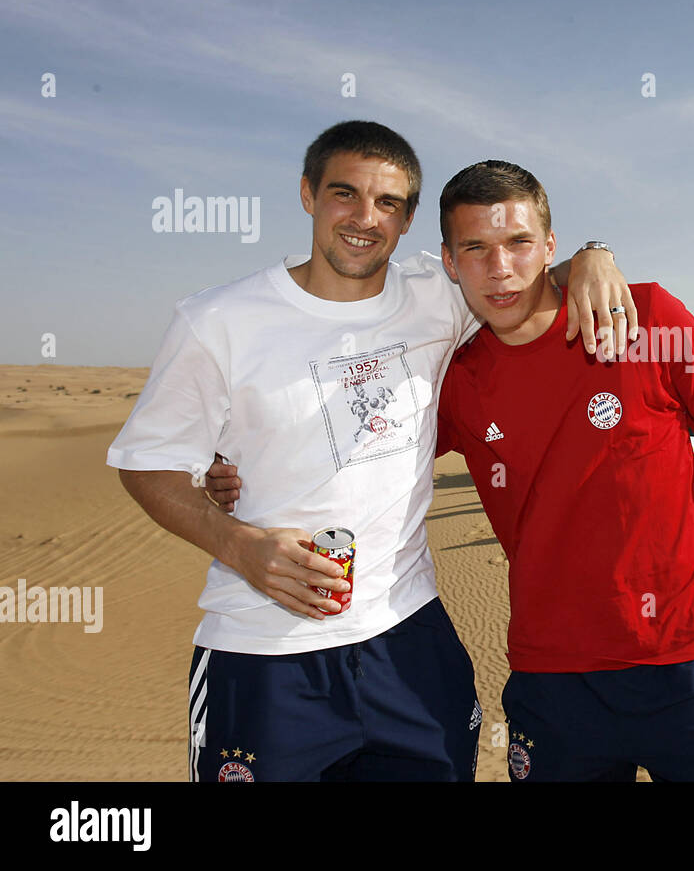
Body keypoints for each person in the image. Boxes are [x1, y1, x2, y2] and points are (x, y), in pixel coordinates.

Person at [110, 121, 633, 782]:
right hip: (263, 653)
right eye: (344, 194)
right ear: (307, 194)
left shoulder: (436, 294)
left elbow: (512, 274)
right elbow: (145, 462)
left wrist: (592, 254)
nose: (364, 219)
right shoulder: (218, 321)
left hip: (411, 644)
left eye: (387, 203)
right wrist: (239, 545)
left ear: (410, 219)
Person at [434, 159, 694, 781]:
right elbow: (364, 459)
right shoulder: (458, 382)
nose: (500, 269)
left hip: (687, 664)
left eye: (518, 243)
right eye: (475, 249)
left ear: (549, 247)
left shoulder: (646, 316)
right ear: (450, 262)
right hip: (553, 680)